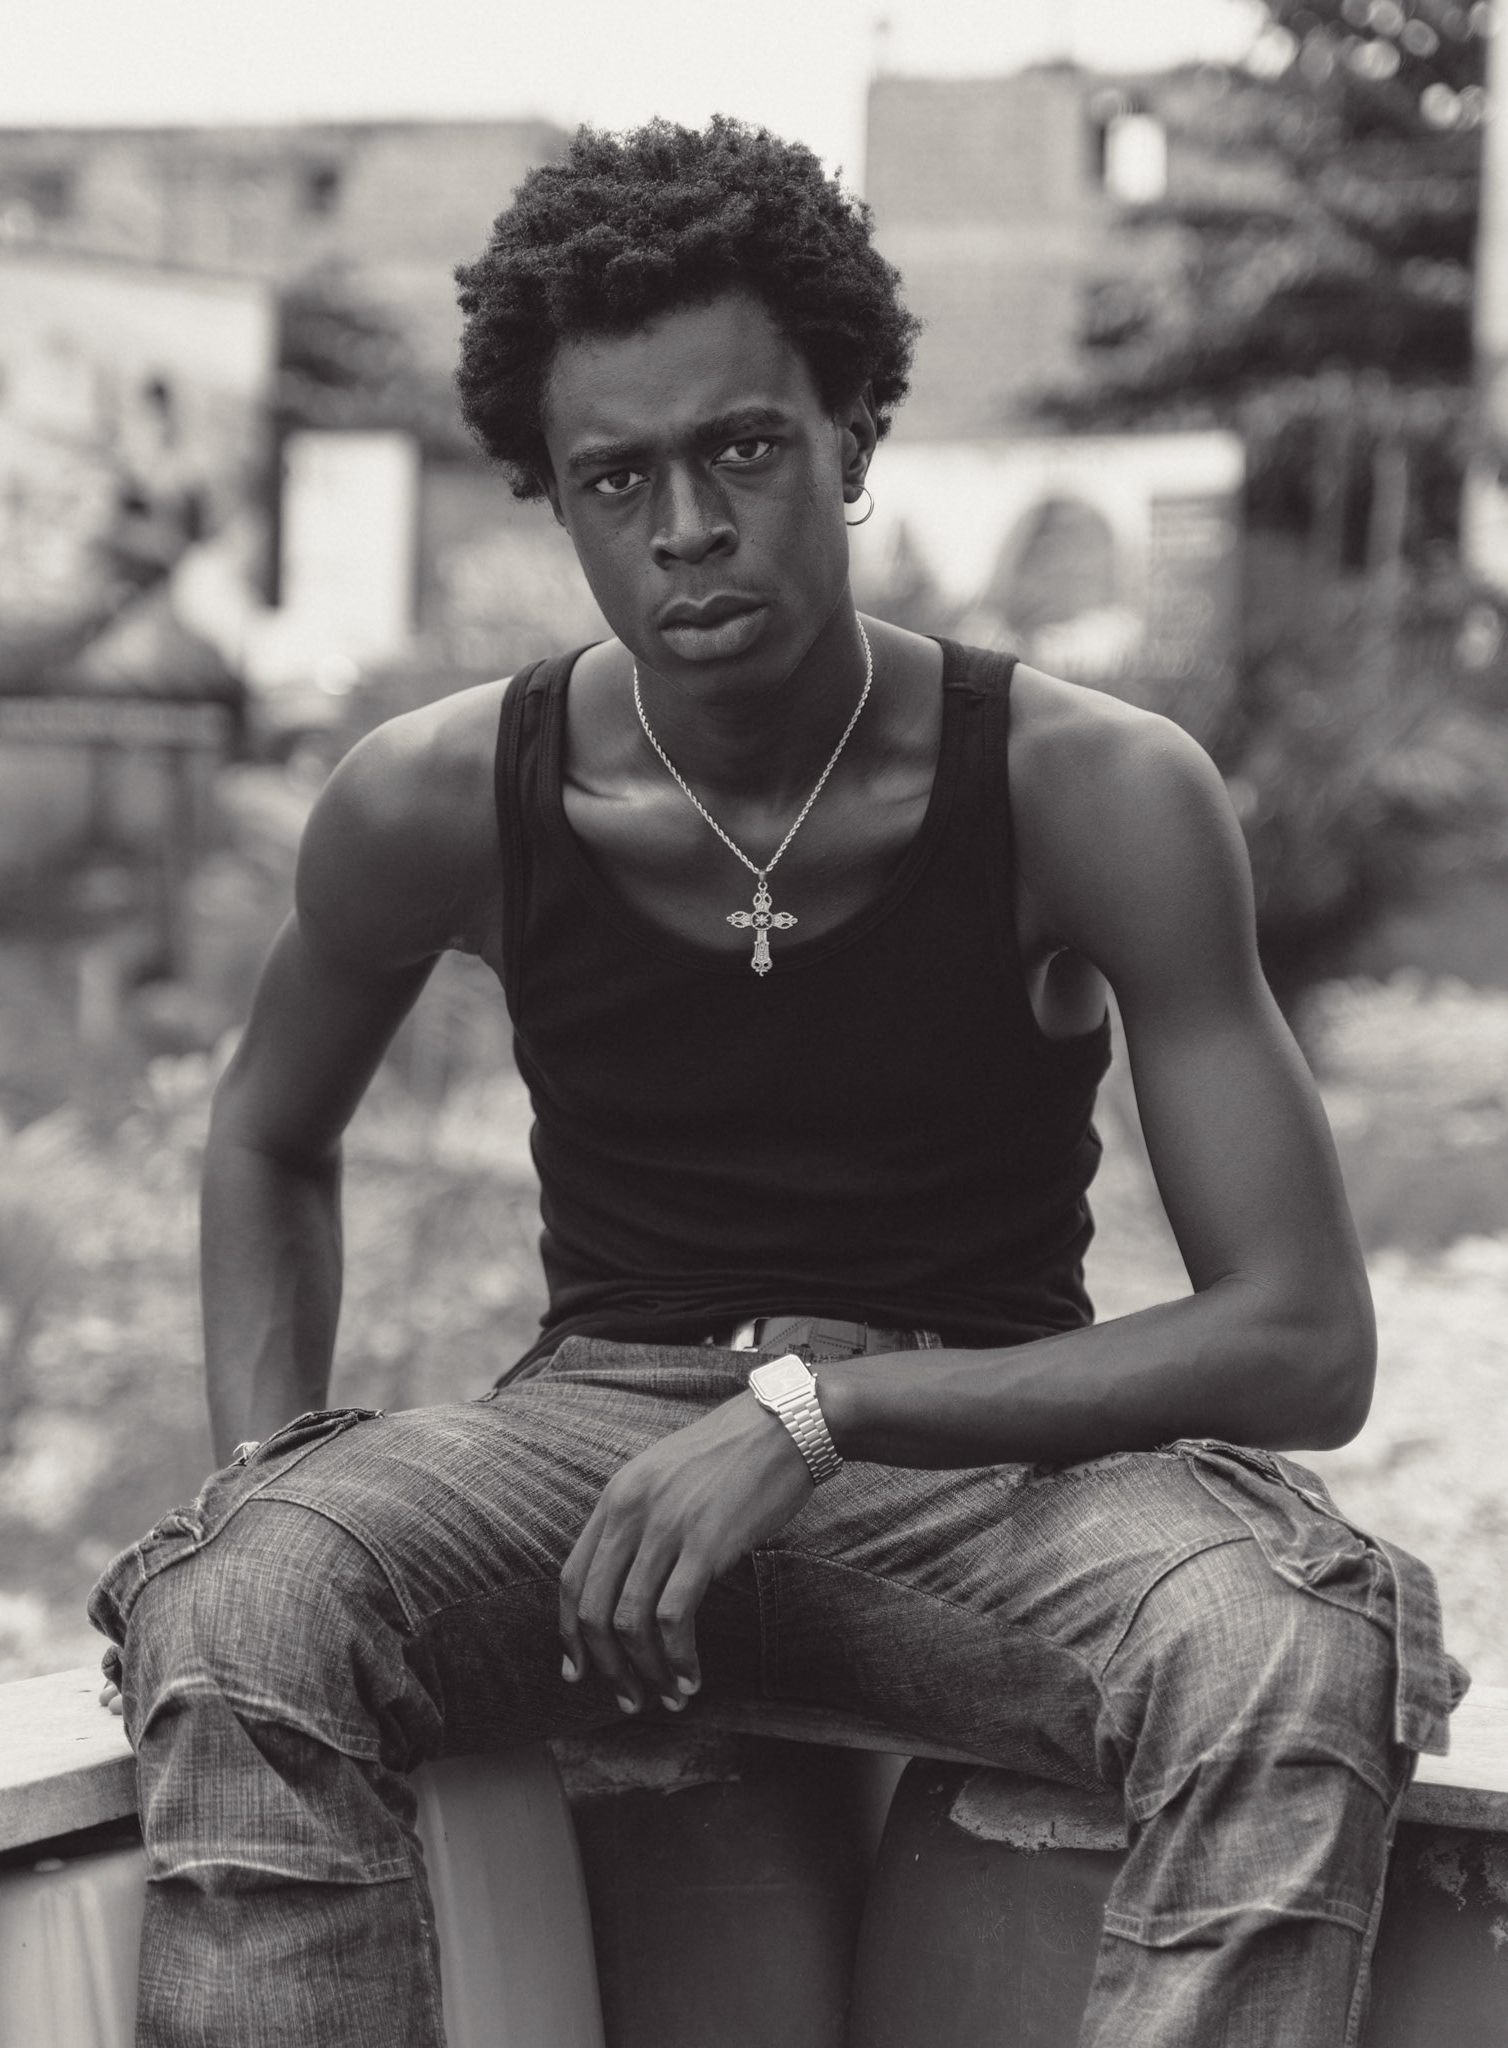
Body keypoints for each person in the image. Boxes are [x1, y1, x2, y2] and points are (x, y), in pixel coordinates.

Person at [91, 117, 1464, 2048]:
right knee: (240, 1591)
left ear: (853, 437)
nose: (684, 527)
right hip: (596, 1479)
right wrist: (268, 1467)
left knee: (1291, 1632)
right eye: (613, 477)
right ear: (551, 496)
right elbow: (264, 1129)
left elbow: (1302, 1341)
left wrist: (816, 1414)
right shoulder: (435, 796)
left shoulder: (1087, 786)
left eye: (742, 449)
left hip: (982, 1479)